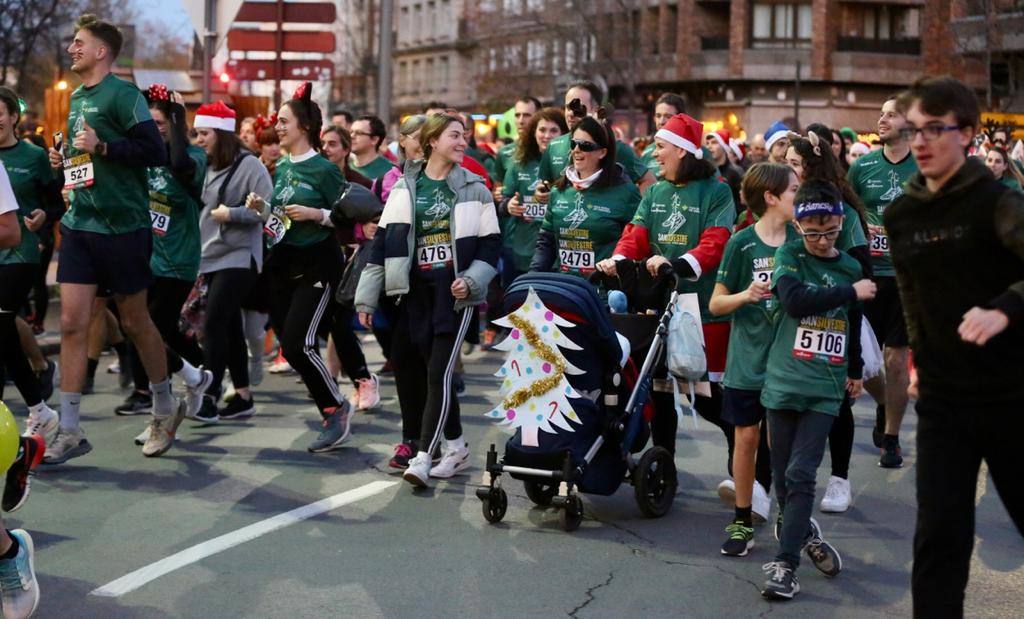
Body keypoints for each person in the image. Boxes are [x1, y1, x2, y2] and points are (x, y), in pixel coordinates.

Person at [884, 75, 1024, 619]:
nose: (919, 141)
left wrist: (1003, 309)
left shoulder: (998, 203)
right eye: (912, 129)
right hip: (943, 400)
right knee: (939, 536)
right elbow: (915, 300)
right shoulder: (902, 215)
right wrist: (919, 361)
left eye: (934, 129)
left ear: (966, 133)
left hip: (1012, 394)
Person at [45, 14, 184, 461]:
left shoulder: (124, 96)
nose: (72, 48)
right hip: (81, 225)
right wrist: (64, 160)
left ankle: (165, 406)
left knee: (135, 322)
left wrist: (102, 147)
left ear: (102, 50)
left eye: (79, 42)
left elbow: (154, 152)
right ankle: (68, 428)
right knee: (71, 324)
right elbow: (83, 157)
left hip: (125, 228)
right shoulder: (78, 99)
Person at [354, 113, 501, 487]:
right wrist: (367, 299)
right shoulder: (405, 186)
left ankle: (422, 455)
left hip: (455, 297)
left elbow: (490, 246)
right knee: (428, 371)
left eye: (464, 135)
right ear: (433, 141)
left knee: (438, 372)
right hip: (415, 293)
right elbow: (383, 243)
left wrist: (471, 281)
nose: (462, 141)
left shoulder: (476, 187)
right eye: (455, 135)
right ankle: (456, 447)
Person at [596, 112, 734, 479]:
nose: (654, 155)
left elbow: (716, 241)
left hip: (701, 309)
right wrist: (619, 259)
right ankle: (664, 466)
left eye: (661, 148)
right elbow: (635, 232)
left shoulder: (716, 190)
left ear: (684, 151)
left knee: (705, 397)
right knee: (657, 391)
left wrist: (678, 263)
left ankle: (747, 453)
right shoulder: (655, 190)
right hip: (657, 305)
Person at [759, 179, 876, 601]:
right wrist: (849, 291)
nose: (822, 242)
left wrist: (857, 371)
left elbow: (855, 322)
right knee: (782, 479)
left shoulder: (849, 266)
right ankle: (802, 529)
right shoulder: (789, 254)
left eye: (830, 233)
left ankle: (785, 565)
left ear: (841, 225)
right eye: (812, 233)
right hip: (783, 380)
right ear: (799, 226)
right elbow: (793, 301)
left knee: (801, 474)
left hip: (825, 387)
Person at [246, 83, 352, 452]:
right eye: (277, 121)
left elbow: (345, 218)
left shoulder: (324, 169)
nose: (277, 127)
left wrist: (315, 214)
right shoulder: (284, 166)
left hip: (318, 264)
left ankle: (336, 408)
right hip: (284, 263)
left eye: (284, 121)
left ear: (304, 126)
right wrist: (263, 210)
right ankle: (331, 406)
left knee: (297, 344)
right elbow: (281, 218)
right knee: (291, 348)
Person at [710, 163, 800, 555]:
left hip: (790, 361)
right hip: (747, 360)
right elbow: (715, 303)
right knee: (746, 438)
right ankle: (742, 521)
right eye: (795, 190)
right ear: (771, 197)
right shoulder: (742, 243)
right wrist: (746, 295)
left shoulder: (801, 241)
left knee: (785, 443)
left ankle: (785, 515)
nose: (800, 195)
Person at [784, 130, 872, 513]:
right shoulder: (787, 205)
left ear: (810, 167)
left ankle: (839, 479)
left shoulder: (845, 212)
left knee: (838, 402)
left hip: (835, 319)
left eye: (792, 165)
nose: (785, 171)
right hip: (793, 319)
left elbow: (861, 270)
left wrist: (832, 287)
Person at [115, 84, 212, 421]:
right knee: (156, 328)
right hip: (144, 254)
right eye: (149, 124)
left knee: (150, 326)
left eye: (159, 124)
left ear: (173, 123)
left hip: (177, 259)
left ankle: (195, 379)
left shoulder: (194, 156)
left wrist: (175, 124)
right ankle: (191, 379)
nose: (152, 130)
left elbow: (182, 166)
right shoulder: (143, 157)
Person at [847, 95, 918, 470]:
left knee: (895, 359)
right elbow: (847, 211)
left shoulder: (923, 168)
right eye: (881, 113)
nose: (883, 119)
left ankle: (891, 439)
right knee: (866, 362)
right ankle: (883, 403)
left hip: (907, 279)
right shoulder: (862, 167)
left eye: (892, 114)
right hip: (868, 275)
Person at [192, 100, 273, 423]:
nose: (199, 140)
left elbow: (268, 211)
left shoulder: (250, 165)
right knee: (228, 327)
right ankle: (242, 395)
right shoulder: (204, 164)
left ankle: (209, 396)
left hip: (240, 257)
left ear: (222, 134)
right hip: (208, 256)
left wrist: (234, 213)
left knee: (213, 324)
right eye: (196, 133)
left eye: (204, 133)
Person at [0, 87, 61, 439]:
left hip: (23, 250)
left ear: (12, 117)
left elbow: (57, 203)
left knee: (2, 322)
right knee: (3, 330)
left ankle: (39, 408)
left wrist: (44, 217)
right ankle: (39, 407)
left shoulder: (33, 156)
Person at [531, 114, 641, 277]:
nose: (576, 150)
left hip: (604, 293)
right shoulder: (558, 191)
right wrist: (532, 278)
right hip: (567, 290)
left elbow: (638, 243)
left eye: (585, 145)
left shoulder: (626, 192)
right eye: (573, 143)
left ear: (602, 152)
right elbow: (546, 243)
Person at [536, 81, 655, 196]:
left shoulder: (615, 147)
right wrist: (541, 194)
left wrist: (636, 213)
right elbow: (544, 186)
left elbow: (648, 181)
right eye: (568, 107)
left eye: (578, 107)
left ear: (595, 110)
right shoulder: (554, 146)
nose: (571, 113)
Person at [500, 107, 566, 286]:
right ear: (533, 132)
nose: (547, 135)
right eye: (542, 130)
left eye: (554, 130)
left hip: (559, 256)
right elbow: (502, 201)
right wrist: (509, 206)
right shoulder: (519, 163)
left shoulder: (572, 164)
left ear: (564, 134)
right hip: (523, 252)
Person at [492, 96, 540, 202]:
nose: (521, 120)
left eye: (527, 115)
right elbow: (497, 190)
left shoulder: (550, 150)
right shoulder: (504, 152)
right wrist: (496, 195)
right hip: (513, 217)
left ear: (538, 117)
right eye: (517, 115)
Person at [640, 93, 687, 178]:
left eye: (668, 116)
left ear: (681, 119)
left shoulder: (694, 151)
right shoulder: (648, 152)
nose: (661, 121)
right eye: (658, 116)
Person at [705, 129, 744, 213]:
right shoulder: (704, 172)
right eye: (707, 143)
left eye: (714, 142)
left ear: (724, 146)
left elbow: (742, 202)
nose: (709, 146)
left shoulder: (735, 172)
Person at [350, 115, 395, 180]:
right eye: (350, 132)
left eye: (358, 133)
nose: (351, 136)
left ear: (374, 140)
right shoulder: (344, 170)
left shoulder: (391, 171)